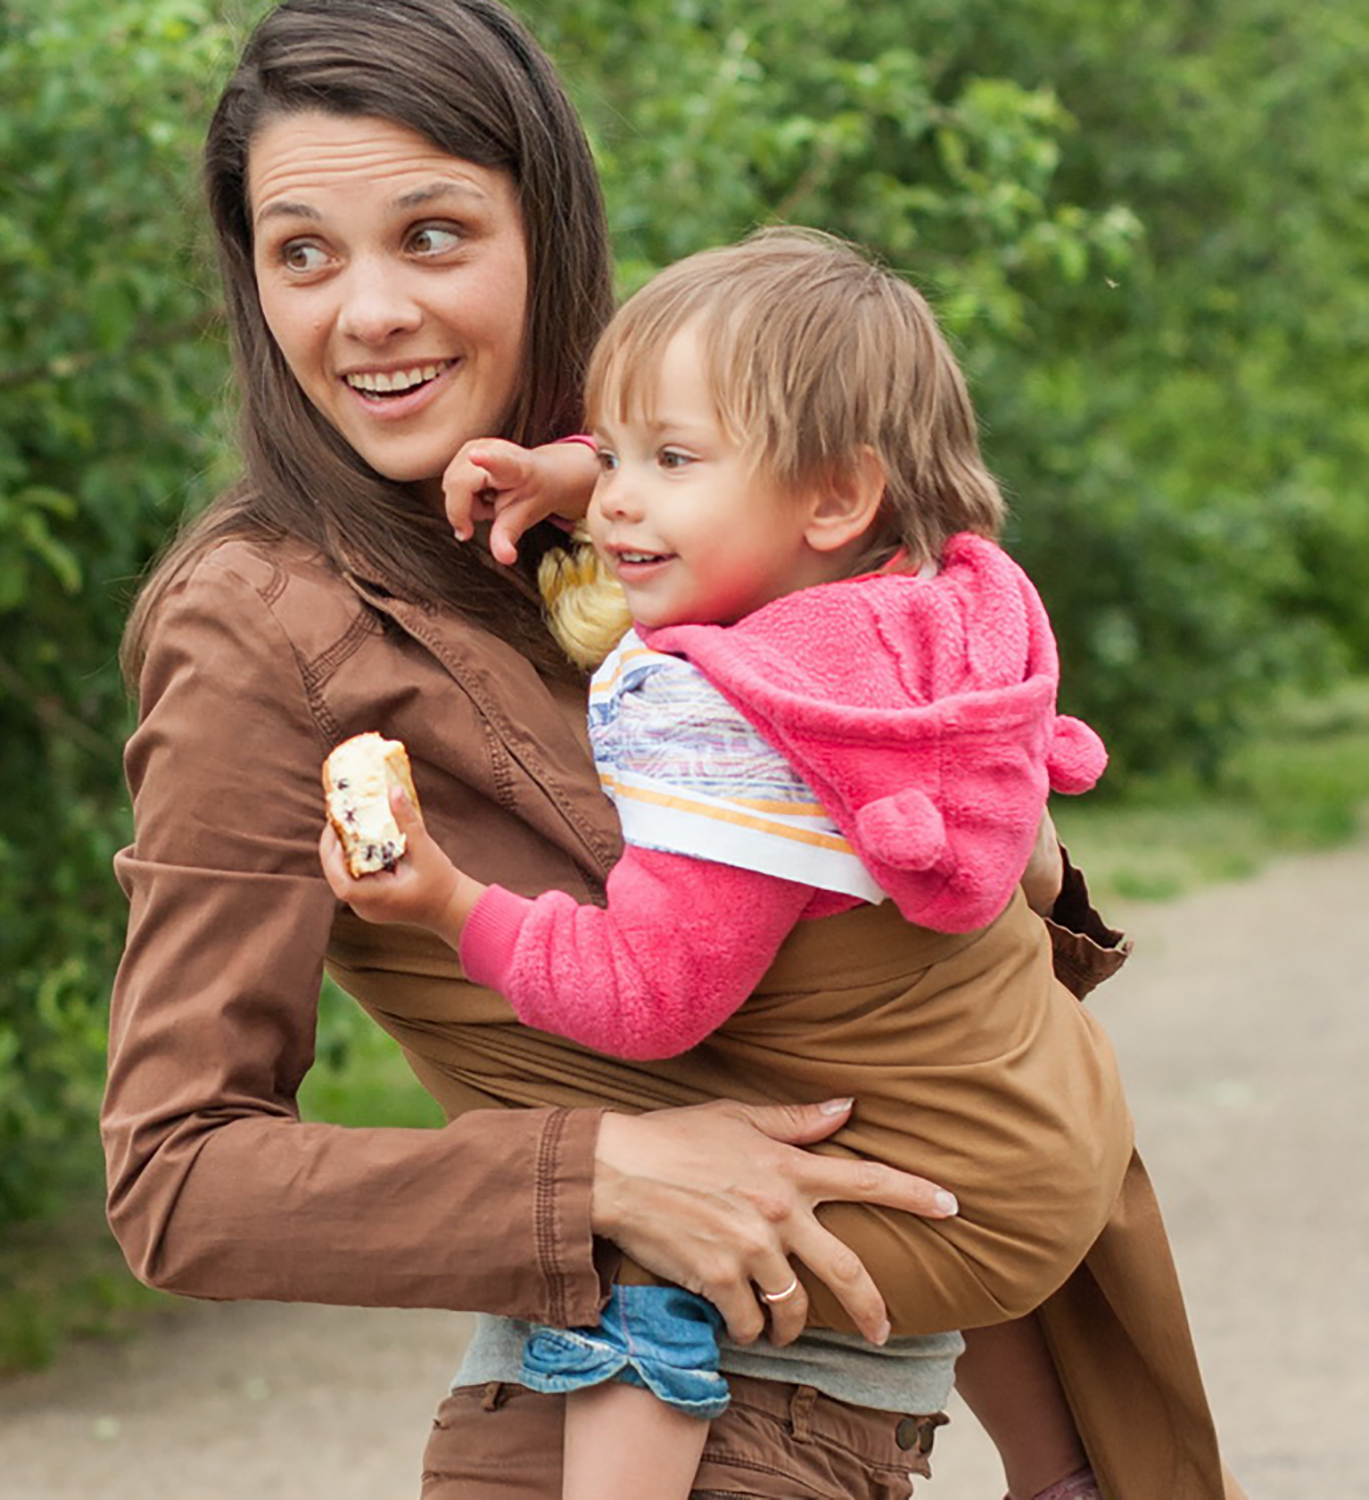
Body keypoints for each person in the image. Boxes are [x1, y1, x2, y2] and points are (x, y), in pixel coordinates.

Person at [103, 2, 1241, 1497]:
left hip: (877, 1411)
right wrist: (602, 1174)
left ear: (550, 229)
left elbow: (920, 934)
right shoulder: (263, 624)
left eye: (433, 234)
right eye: (303, 252)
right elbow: (178, 1175)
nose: (365, 310)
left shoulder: (688, 495)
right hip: (636, 1423)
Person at [323, 226, 1122, 1500]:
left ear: (833, 497)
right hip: (1059, 1119)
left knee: (632, 1227)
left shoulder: (732, 726)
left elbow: (649, 999)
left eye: (669, 460)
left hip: (955, 1197)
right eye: (618, 450)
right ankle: (1062, 1473)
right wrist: (571, 469)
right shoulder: (927, 602)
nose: (622, 496)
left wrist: (445, 902)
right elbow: (743, 486)